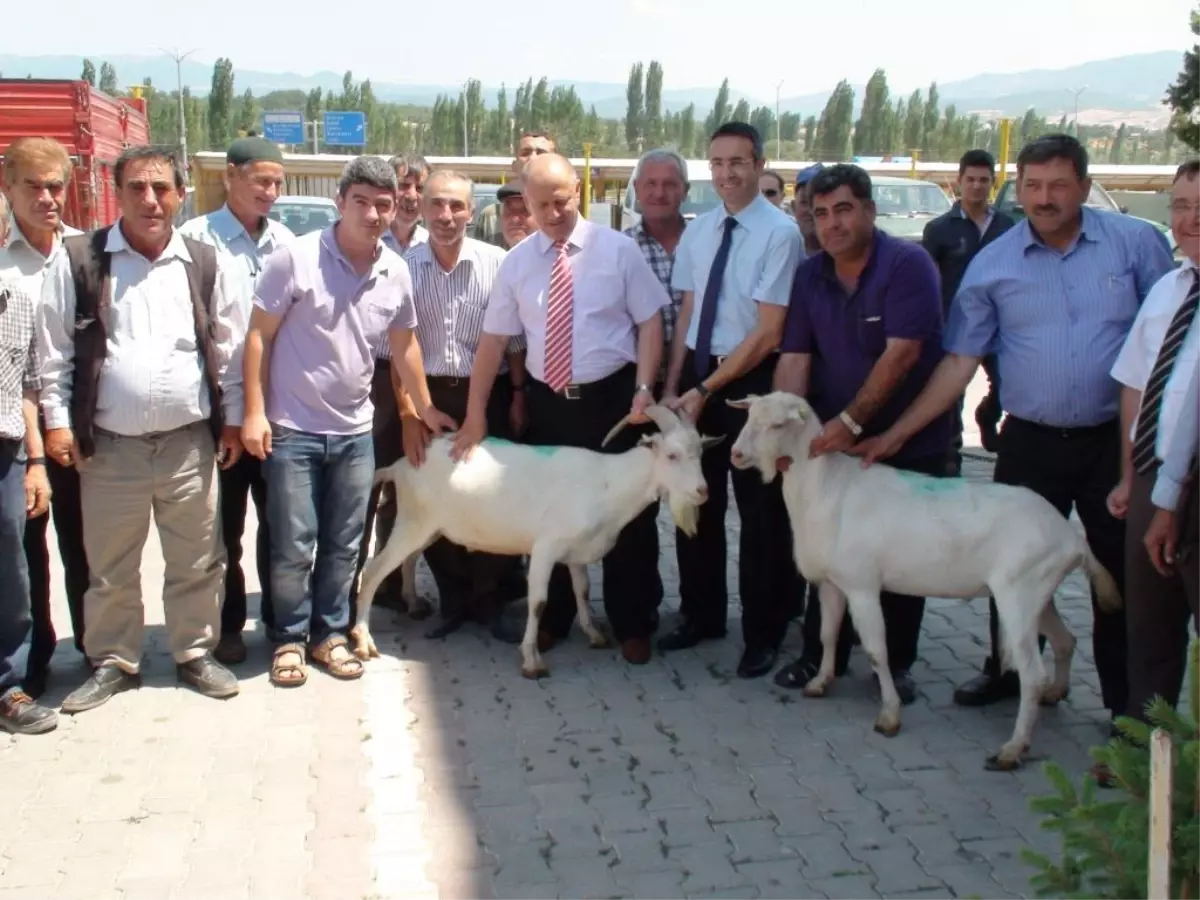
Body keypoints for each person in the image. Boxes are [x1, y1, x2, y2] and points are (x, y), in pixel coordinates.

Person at [851, 135, 1175, 741]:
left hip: (1117, 444)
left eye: (1058, 186)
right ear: (1016, 188)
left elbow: (1172, 336)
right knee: (1007, 560)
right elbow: (958, 365)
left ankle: (1128, 712)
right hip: (1029, 443)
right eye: (1032, 186)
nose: (1044, 199)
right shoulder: (994, 264)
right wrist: (894, 435)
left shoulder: (1137, 246)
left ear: (1082, 185)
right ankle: (1006, 673)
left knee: (1122, 576)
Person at [40, 147, 248, 713]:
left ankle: (194, 653)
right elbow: (55, 353)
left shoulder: (204, 262)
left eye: (162, 188)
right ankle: (114, 660)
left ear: (181, 194)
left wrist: (231, 423)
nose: (150, 200)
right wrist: (58, 425)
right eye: (137, 188)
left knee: (199, 558)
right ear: (118, 193)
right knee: (109, 565)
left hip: (188, 444)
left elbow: (227, 353)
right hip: (109, 449)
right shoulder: (82, 259)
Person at [242, 156, 454, 688]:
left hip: (356, 431)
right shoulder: (296, 258)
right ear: (341, 202)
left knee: (345, 541)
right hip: (292, 427)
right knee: (293, 542)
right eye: (361, 201)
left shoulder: (396, 269)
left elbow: (405, 345)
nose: (374, 213)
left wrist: (425, 408)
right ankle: (289, 638)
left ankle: (329, 634)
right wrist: (251, 411)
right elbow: (258, 336)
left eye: (383, 204)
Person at [451, 152, 669, 665]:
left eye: (562, 200)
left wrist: (643, 387)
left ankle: (633, 620)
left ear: (579, 191)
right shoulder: (518, 262)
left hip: (615, 402)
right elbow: (492, 340)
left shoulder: (618, 251)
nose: (554, 212)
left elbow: (651, 323)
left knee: (629, 515)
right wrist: (475, 412)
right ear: (524, 200)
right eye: (541, 203)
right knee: (549, 514)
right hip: (552, 408)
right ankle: (553, 618)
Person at [772, 163, 953, 700]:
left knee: (900, 552)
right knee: (824, 545)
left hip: (907, 436)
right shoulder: (810, 274)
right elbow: (795, 360)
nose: (831, 224)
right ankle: (819, 657)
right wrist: (785, 430)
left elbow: (903, 356)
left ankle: (895, 666)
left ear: (871, 210)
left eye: (844, 209)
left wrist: (852, 423)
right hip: (831, 442)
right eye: (820, 213)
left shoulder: (908, 264)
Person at [654, 122, 802, 679]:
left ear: (760, 164)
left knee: (762, 515)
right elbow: (688, 313)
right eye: (716, 163)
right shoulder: (701, 232)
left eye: (738, 162)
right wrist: (675, 386)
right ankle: (701, 615)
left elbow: (767, 332)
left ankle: (764, 632)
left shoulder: (779, 234)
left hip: (751, 385)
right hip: (698, 379)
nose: (727, 173)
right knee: (695, 501)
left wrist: (705, 389)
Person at [178, 136, 294, 664]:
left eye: (277, 182)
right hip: (218, 416)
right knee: (222, 532)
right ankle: (225, 627)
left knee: (282, 526)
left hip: (279, 413)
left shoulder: (287, 244)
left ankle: (279, 622)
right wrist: (230, 416)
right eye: (260, 181)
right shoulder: (195, 241)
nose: (270, 192)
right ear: (229, 177)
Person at [399, 169, 527, 643]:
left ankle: (491, 601)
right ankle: (454, 600)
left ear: (473, 212)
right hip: (427, 394)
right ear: (422, 207)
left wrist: (515, 396)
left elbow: (513, 342)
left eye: (456, 206)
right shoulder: (402, 267)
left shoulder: (498, 264)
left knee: (495, 497)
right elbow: (396, 351)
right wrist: (413, 414)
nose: (446, 216)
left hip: (488, 394)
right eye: (436, 204)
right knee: (437, 496)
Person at [1112, 159, 1200, 727]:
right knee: (1148, 623)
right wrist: (1128, 475)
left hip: (1196, 486)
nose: (1189, 220)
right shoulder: (1170, 288)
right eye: (1181, 205)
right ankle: (1144, 747)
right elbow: (1135, 385)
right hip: (1152, 474)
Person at [1, 136, 88, 697]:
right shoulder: (4, 261)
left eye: (55, 186)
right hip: (21, 431)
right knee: (25, 550)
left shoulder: (85, 251)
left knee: (85, 543)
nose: (46, 197)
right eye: (32, 186)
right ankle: (33, 663)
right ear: (8, 188)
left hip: (81, 430)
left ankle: (95, 645)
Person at [350, 153, 431, 614]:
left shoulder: (432, 242)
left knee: (413, 484)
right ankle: (349, 588)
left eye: (418, 187)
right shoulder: (364, 241)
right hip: (373, 380)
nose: (411, 196)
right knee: (365, 486)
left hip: (419, 379)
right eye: (403, 186)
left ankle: (400, 583)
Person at [921, 149, 1014, 471]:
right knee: (950, 399)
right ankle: (950, 462)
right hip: (956, 330)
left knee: (1008, 386)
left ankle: (988, 416)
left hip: (1001, 327)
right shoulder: (940, 230)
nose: (976, 186)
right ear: (959, 182)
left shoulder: (1008, 227)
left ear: (992, 183)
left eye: (983, 180)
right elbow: (929, 281)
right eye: (970, 180)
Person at [0, 276, 55, 733]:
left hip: (7, 452)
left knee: (12, 575)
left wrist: (35, 461)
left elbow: (28, 389)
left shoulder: (17, 300)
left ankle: (8, 687)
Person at [624, 148, 689, 391]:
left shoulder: (706, 242)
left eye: (670, 184)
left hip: (698, 384)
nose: (659, 193)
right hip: (637, 385)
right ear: (637, 188)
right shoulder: (619, 249)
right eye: (651, 183)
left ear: (685, 190)